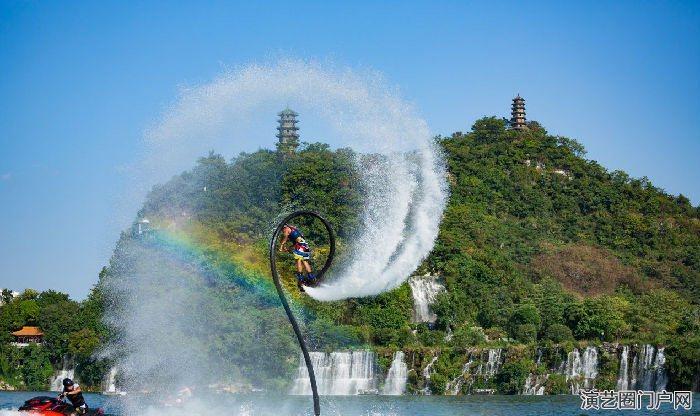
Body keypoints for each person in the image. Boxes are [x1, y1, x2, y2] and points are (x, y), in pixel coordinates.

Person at [279, 224, 315, 291]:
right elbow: (297, 237)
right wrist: (289, 247)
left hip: (300, 245)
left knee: (298, 260)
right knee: (305, 261)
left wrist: (281, 246)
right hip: (304, 244)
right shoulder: (292, 228)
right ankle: (311, 277)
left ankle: (301, 279)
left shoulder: (285, 229)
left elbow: (285, 238)